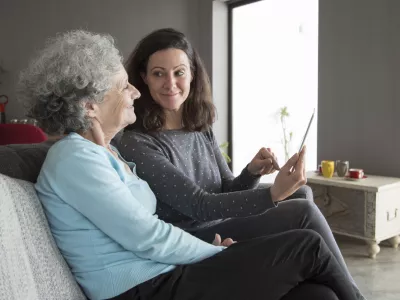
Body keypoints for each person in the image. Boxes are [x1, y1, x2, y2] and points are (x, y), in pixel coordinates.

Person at [18, 30, 364, 300]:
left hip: (163, 272)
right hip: (143, 289)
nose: (135, 92)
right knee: (308, 245)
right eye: (125, 87)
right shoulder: (75, 160)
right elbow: (148, 236)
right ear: (90, 105)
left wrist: (249, 177)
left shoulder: (107, 152)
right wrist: (211, 252)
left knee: (319, 295)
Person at [120, 28, 358, 289]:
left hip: (221, 222)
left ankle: (313, 281)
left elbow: (226, 189)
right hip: (192, 235)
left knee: (303, 195)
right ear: (143, 78)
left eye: (179, 72)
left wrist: (252, 173)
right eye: (158, 74)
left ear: (192, 74)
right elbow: (200, 206)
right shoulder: (138, 141)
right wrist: (273, 195)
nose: (171, 83)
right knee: (301, 211)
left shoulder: (199, 127)